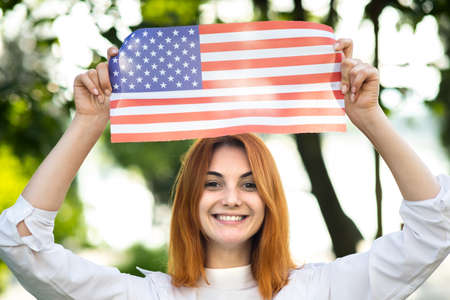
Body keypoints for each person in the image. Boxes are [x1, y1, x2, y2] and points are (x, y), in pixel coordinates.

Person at [0, 38, 449, 300]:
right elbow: (21, 244)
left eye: (249, 184)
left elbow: (434, 230)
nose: (231, 197)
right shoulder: (148, 296)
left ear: (270, 198)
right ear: (189, 197)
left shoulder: (323, 289)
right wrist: (88, 124)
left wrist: (369, 118)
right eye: (213, 183)